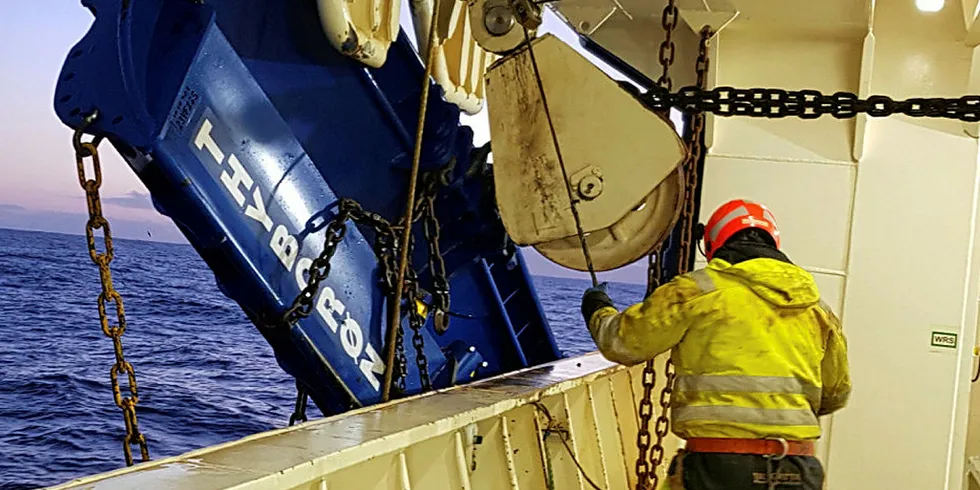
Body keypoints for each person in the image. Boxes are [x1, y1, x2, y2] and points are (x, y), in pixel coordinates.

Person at [580, 199, 851, 490]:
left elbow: (621, 342)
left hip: (719, 467)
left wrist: (598, 306)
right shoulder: (817, 309)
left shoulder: (698, 291)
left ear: (713, 244)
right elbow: (836, 394)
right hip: (798, 469)